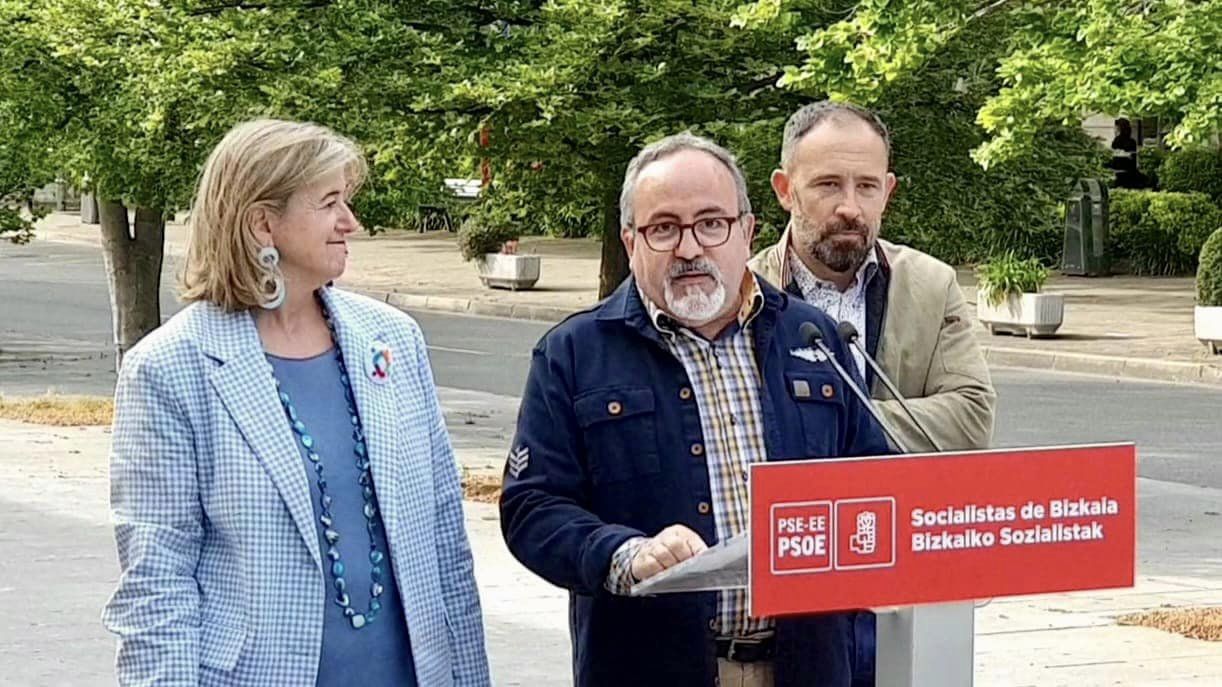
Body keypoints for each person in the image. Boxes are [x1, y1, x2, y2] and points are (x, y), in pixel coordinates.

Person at [102, 119, 490, 686]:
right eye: (329, 202)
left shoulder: (393, 340)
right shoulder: (171, 368)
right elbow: (156, 582)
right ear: (264, 222)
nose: (350, 222)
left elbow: (445, 545)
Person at [500, 133, 892, 687]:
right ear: (630, 241)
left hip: (811, 666)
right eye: (664, 228)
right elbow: (533, 508)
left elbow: (876, 487)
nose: (690, 248)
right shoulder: (575, 353)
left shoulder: (813, 336)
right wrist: (624, 554)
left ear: (747, 231)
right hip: (652, 668)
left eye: (712, 223)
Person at [749, 100, 997, 686]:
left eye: (866, 187)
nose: (849, 208)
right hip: (786, 584)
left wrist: (824, 421)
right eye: (828, 185)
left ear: (888, 191)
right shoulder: (745, 291)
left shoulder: (931, 285)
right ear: (785, 189)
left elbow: (968, 418)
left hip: (899, 585)